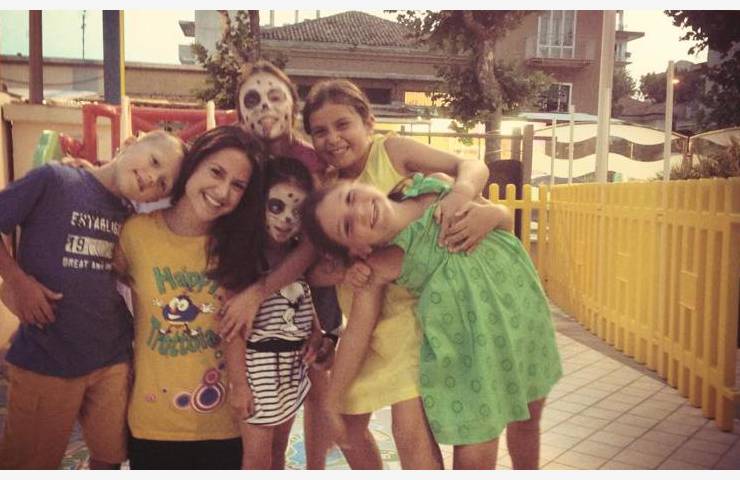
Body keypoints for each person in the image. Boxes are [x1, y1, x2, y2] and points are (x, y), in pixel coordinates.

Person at [300, 79, 502, 469]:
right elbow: (316, 266)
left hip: (413, 314)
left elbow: (472, 166)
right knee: (351, 423)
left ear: (368, 122)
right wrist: (345, 269)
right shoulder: (330, 193)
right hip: (372, 319)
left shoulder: (390, 152)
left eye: (342, 125)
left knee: (412, 428)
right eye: (319, 131)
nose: (332, 138)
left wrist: (465, 194)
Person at [302, 174, 563, 469]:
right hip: (473, 352)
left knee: (528, 421)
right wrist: (332, 400)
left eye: (351, 197)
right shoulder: (380, 265)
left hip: (524, 318)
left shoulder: (436, 187)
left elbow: (505, 223)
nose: (360, 212)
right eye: (348, 226)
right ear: (356, 251)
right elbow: (356, 334)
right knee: (475, 453)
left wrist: (494, 214)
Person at [0, 130, 186, 469]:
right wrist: (16, 280)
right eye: (154, 161)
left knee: (111, 458)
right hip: (46, 356)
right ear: (130, 143)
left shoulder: (131, 217)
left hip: (111, 359)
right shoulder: (55, 179)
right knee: (28, 464)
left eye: (163, 184)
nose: (152, 178)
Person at [114, 126, 264, 469]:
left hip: (221, 423)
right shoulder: (136, 232)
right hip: (152, 420)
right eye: (216, 172)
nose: (223, 191)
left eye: (238, 185)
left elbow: (234, 328)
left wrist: (241, 387)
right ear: (194, 165)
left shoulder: (234, 247)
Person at [222, 60, 341, 469]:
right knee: (257, 376)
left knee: (315, 379)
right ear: (240, 111)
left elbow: (312, 242)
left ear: (292, 103)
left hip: (307, 281)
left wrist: (259, 292)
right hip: (251, 270)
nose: (265, 107)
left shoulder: (310, 161)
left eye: (275, 96)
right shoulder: (238, 151)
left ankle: (315, 467)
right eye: (253, 99)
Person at [226, 156, 327, 469]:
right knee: (257, 460)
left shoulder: (296, 258)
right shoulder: (245, 259)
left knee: (278, 454)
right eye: (276, 207)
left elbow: (303, 298)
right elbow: (231, 330)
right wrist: (239, 385)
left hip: (291, 369)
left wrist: (315, 332)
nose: (286, 219)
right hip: (257, 373)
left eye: (297, 212)